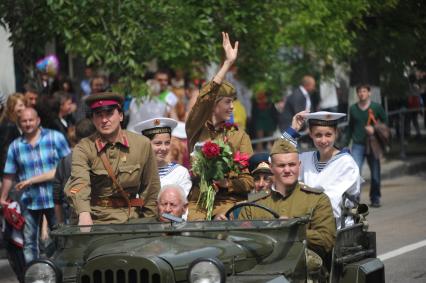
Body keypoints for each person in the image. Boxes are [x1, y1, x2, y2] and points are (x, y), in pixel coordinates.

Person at [185, 32, 254, 220]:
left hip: (229, 202)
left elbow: (249, 181)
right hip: (198, 202)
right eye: (227, 102)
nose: (232, 107)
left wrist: (226, 183)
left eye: (233, 102)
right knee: (190, 227)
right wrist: (227, 64)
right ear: (213, 105)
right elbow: (204, 98)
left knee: (225, 225)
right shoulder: (196, 129)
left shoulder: (239, 136)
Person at [64, 92, 161, 225]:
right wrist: (84, 213)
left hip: (130, 220)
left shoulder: (141, 144)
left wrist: (149, 221)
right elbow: (79, 184)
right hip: (94, 219)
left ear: (121, 116)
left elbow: (151, 188)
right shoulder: (84, 148)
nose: (104, 120)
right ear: (93, 119)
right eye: (99, 115)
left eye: (109, 113)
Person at [238, 138, 336, 264]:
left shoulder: (317, 199)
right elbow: (241, 241)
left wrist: (294, 230)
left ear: (299, 166)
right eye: (281, 165)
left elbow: (327, 241)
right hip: (261, 268)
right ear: (272, 168)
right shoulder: (253, 204)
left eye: (292, 164)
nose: (287, 170)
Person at [1, 108, 71, 264]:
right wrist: (2, 198)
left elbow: (67, 166)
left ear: (38, 120)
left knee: (61, 239)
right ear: (20, 123)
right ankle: (33, 276)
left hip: (55, 198)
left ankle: (61, 272)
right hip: (29, 200)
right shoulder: (16, 146)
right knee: (29, 242)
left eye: (30, 120)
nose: (27, 124)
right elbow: (9, 174)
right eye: (24, 121)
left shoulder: (55, 138)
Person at [282, 111, 361, 228]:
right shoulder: (306, 158)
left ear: (336, 133)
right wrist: (293, 130)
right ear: (311, 134)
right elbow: (277, 161)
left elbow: (331, 203)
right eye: (318, 135)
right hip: (307, 225)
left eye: (328, 135)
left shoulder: (346, 163)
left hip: (337, 230)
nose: (323, 140)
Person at [344, 84, 388, 208]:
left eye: (364, 91)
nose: (362, 93)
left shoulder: (376, 107)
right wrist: (344, 144)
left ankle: (375, 198)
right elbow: (350, 127)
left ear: (369, 93)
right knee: (355, 172)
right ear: (357, 94)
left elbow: (385, 122)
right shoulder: (353, 109)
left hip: (373, 143)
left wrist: (374, 129)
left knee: (375, 173)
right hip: (358, 145)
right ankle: (355, 199)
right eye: (359, 92)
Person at [134, 117, 192, 197]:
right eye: (158, 143)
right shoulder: (135, 172)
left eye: (167, 143)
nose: (164, 148)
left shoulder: (180, 173)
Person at [52, 118, 96, 224]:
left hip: (73, 218)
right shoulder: (103, 156)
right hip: (101, 217)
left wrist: (60, 223)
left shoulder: (64, 161)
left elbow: (57, 197)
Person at [0, 93, 26, 180]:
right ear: (12, 107)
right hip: (9, 172)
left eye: (24, 105)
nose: (23, 108)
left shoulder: (16, 122)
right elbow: (4, 150)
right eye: (20, 105)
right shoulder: (9, 125)